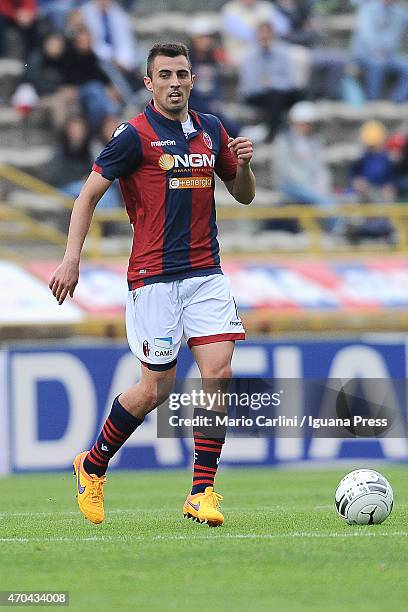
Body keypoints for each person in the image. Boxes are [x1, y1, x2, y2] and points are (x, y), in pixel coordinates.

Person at [49, 42, 255, 527]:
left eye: (182, 74)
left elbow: (244, 197)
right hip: (153, 279)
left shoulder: (211, 130)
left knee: (219, 374)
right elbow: (86, 197)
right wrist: (70, 258)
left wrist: (244, 166)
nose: (175, 82)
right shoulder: (133, 137)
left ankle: (202, 490)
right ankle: (93, 464)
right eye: (165, 75)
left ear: (193, 80)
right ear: (149, 83)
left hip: (206, 273)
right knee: (155, 388)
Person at [239, 21, 300, 141]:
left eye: (267, 36)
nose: (264, 39)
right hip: (255, 96)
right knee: (274, 97)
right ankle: (272, 135)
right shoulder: (249, 56)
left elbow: (290, 81)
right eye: (262, 36)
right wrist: (273, 83)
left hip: (279, 93)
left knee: (299, 94)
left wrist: (269, 82)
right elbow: (251, 86)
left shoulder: (283, 52)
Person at [350, 0, 408, 102]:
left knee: (405, 65)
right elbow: (367, 35)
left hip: (388, 55)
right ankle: (372, 102)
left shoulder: (399, 12)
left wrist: (384, 52)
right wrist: (377, 50)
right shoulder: (369, 9)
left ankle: (397, 101)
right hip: (365, 54)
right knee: (377, 63)